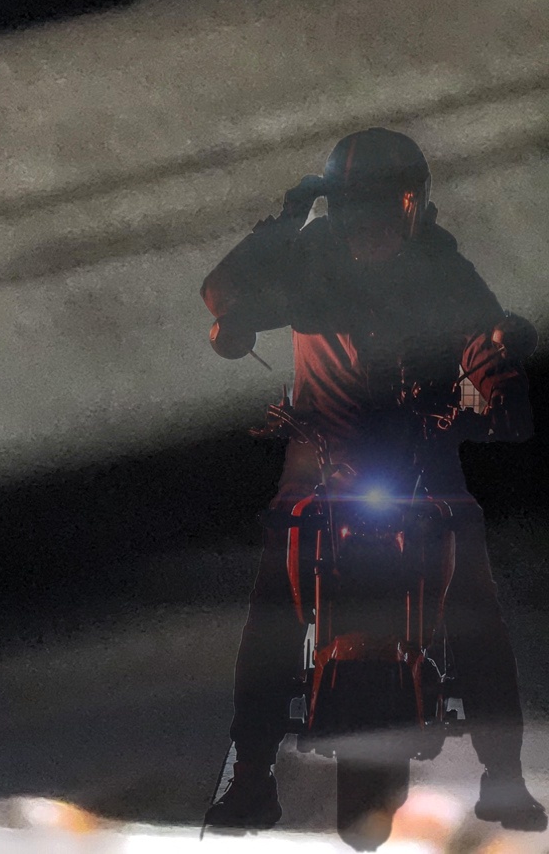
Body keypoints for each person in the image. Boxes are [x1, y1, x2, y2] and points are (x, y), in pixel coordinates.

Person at [203, 128, 541, 837]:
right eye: (357, 206)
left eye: (391, 204)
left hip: (424, 455)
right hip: (319, 460)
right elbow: (225, 294)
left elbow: (483, 339)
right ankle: (248, 775)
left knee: (473, 597)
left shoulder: (444, 270)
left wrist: (501, 388)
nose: (375, 222)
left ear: (415, 205)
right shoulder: (308, 260)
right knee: (275, 600)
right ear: (336, 208)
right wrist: (283, 219)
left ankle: (504, 775)